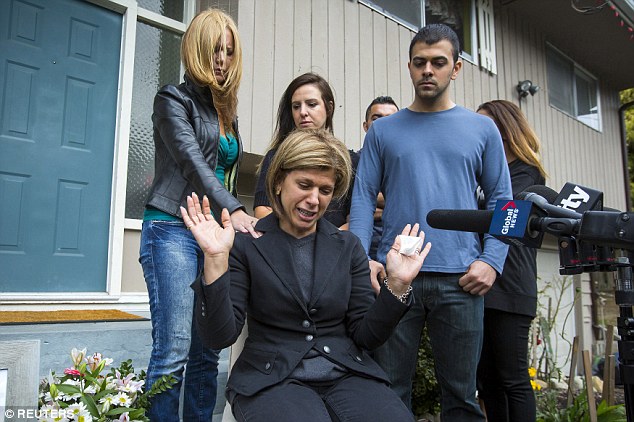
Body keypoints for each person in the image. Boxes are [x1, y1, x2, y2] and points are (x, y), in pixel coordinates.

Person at [182, 128, 431, 422]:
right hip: (271, 380)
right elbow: (218, 336)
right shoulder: (246, 245)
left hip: (347, 374)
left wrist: (397, 285)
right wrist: (214, 261)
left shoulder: (348, 246)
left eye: (325, 190)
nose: (314, 199)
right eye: (304, 185)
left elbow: (366, 336)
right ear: (278, 182)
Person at [349, 24, 512, 420]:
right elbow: (363, 196)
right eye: (419, 62)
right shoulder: (383, 131)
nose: (427, 70)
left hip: (462, 279)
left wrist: (492, 260)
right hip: (396, 278)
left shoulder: (482, 129)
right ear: (408, 66)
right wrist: (361, 258)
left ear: (455, 68)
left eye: (438, 62)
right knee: (389, 391)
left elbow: (505, 202)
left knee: (462, 397)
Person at [139, 9, 258, 421]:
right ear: (195, 50)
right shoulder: (172, 99)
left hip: (212, 237)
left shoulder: (227, 112)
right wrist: (234, 208)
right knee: (173, 350)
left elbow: (225, 173)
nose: (221, 60)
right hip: (171, 227)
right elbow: (193, 162)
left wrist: (234, 219)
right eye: (213, 50)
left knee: (208, 350)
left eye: (228, 51)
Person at [475, 100, 547, 422]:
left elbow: (507, 220)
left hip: (511, 288)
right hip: (482, 287)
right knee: (487, 381)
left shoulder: (527, 175)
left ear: (504, 130)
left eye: (484, 124)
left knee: (513, 379)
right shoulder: (484, 175)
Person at [253, 73, 350, 228]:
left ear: (329, 107)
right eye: (296, 106)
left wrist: (328, 239)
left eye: (311, 104)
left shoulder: (348, 161)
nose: (303, 112)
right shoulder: (275, 156)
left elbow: (357, 220)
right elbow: (262, 211)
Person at [353, 96, 400, 263]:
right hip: (364, 246)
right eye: (376, 118)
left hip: (399, 246)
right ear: (365, 126)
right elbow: (355, 204)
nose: (383, 124)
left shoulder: (404, 163)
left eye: (390, 119)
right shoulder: (352, 162)